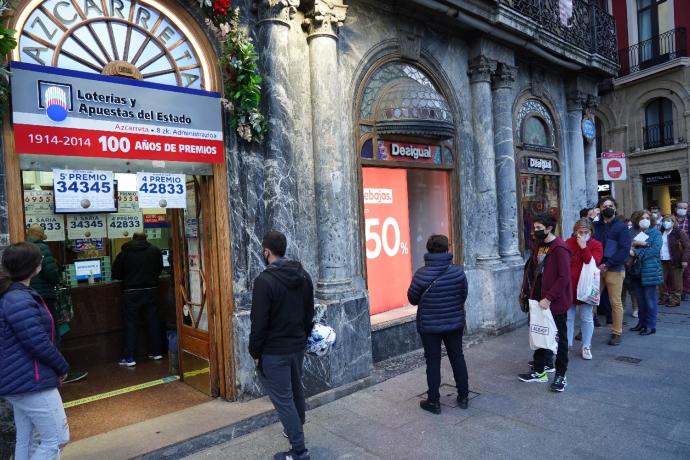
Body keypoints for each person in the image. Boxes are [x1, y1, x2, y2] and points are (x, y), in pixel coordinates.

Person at [0, 242, 70, 459]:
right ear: (34, 266)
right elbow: (37, 341)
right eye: (40, 259)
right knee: (57, 439)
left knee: (27, 438)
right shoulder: (19, 299)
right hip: (32, 379)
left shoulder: (13, 295)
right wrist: (62, 367)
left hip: (19, 379)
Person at [249, 230, 314, 460]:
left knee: (283, 400)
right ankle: (296, 430)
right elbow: (309, 314)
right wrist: (302, 338)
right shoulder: (303, 275)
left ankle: (299, 450)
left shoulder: (264, 281)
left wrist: (255, 352)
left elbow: (258, 323)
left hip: (274, 352)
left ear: (266, 251)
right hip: (297, 347)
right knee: (296, 392)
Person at [407, 234, 469, 414]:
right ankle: (463, 396)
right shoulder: (458, 271)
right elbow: (463, 295)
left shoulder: (421, 274)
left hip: (430, 326)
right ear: (447, 249)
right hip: (454, 323)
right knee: (457, 357)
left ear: (428, 250)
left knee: (433, 361)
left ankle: (434, 401)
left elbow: (412, 299)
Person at [26, 224, 88, 384]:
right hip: (45, 296)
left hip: (32, 295)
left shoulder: (24, 246)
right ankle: (60, 372)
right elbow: (52, 275)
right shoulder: (42, 249)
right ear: (40, 234)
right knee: (53, 332)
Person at [518, 214, 571, 392]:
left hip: (554, 302)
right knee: (539, 334)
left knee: (560, 339)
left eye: (539, 228)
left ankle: (561, 376)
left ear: (549, 228)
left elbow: (564, 277)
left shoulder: (560, 248)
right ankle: (540, 370)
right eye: (534, 228)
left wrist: (549, 298)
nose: (535, 231)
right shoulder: (538, 246)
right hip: (538, 300)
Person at [112, 231, 163, 367]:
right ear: (145, 238)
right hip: (151, 289)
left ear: (132, 238)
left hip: (131, 291)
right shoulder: (155, 251)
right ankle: (156, 352)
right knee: (153, 321)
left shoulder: (125, 253)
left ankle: (130, 358)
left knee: (131, 324)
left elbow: (116, 273)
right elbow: (159, 269)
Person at [593, 197, 632, 345]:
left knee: (615, 302)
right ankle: (586, 328)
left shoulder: (621, 227)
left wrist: (608, 264)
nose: (607, 208)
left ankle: (617, 332)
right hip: (596, 269)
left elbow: (624, 250)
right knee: (591, 300)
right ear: (600, 209)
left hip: (614, 268)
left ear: (615, 208)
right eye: (604, 206)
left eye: (610, 205)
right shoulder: (595, 226)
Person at [565, 219, 603, 360]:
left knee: (586, 317)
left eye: (586, 232)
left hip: (586, 286)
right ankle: (567, 345)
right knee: (568, 317)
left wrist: (583, 247)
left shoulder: (596, 245)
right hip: (570, 285)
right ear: (575, 232)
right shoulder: (568, 242)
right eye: (580, 232)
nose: (582, 235)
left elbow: (591, 262)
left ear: (591, 232)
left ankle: (586, 345)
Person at [628, 211, 662, 335]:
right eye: (642, 218)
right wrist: (634, 245)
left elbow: (654, 251)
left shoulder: (656, 233)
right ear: (637, 220)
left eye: (647, 218)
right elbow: (626, 247)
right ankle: (641, 323)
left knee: (650, 300)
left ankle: (650, 325)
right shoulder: (632, 233)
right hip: (635, 270)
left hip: (650, 270)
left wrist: (636, 252)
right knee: (640, 300)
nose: (645, 220)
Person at [658, 215, 690, 308]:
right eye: (664, 221)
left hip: (675, 259)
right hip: (662, 259)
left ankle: (675, 299)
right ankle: (664, 296)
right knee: (661, 279)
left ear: (673, 222)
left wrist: (684, 260)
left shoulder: (679, 232)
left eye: (668, 221)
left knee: (676, 281)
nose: (666, 223)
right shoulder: (661, 232)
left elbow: (687, 246)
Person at [674, 201, 690, 300]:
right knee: (674, 271)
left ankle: (684, 291)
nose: (682, 210)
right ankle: (675, 291)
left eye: (685, 208)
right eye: (680, 208)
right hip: (674, 248)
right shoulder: (671, 219)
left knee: (687, 271)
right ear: (676, 208)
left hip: (687, 248)